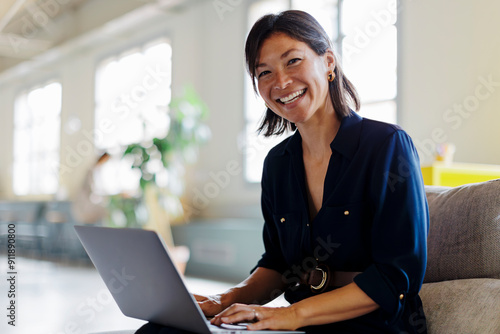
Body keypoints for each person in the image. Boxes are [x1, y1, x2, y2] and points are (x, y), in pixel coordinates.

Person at [137, 10, 428, 334]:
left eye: (293, 61)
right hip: (302, 324)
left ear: (328, 61)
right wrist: (222, 300)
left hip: (373, 326)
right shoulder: (278, 163)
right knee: (161, 330)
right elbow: (278, 265)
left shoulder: (386, 146)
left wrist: (293, 315)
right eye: (264, 73)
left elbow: (395, 277)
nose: (281, 82)